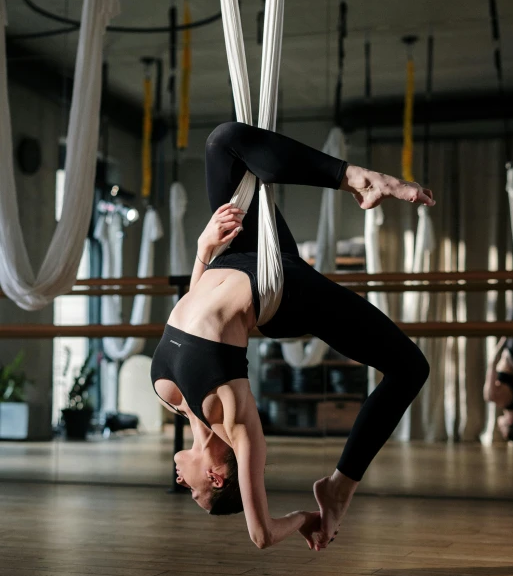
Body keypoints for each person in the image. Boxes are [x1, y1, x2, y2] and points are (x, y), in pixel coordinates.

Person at [151, 122, 434, 551]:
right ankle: (340, 487)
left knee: (223, 142)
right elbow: (261, 535)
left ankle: (358, 178)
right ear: (215, 476)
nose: (181, 485)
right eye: (195, 492)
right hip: (281, 292)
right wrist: (304, 518)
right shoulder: (235, 419)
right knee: (411, 368)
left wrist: (202, 252)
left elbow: (192, 308)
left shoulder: (167, 396)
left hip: (233, 256)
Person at [484, 296, 513, 441]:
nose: (499, 427)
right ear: (510, 422)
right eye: (503, 429)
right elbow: (492, 362)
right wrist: (504, 338)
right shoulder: (494, 396)